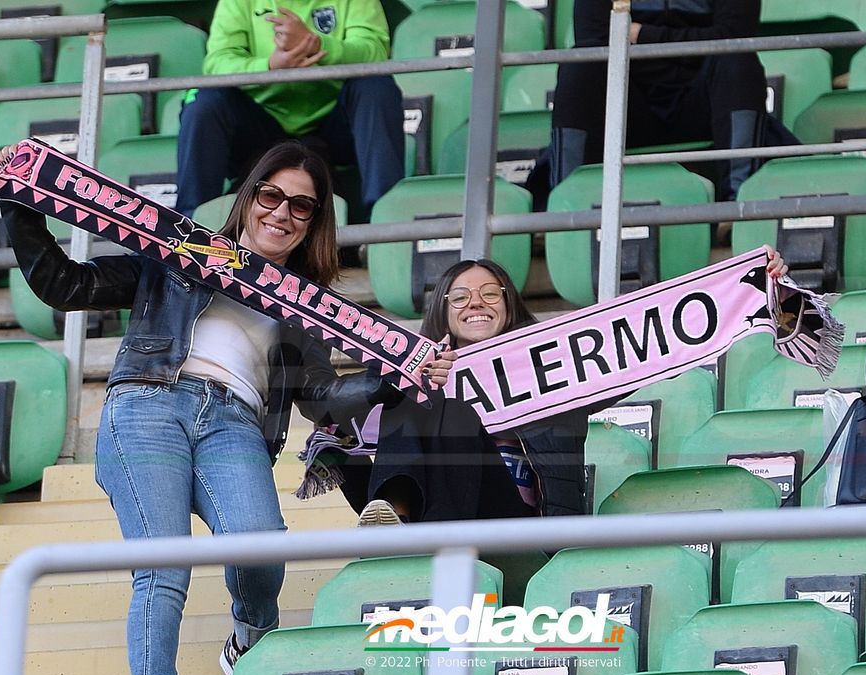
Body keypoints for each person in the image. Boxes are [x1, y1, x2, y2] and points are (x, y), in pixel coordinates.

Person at [0, 140, 405, 675]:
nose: (281, 213)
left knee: (260, 547)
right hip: (147, 402)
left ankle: (250, 639)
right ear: (249, 197)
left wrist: (394, 379)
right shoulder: (175, 252)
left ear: (314, 224)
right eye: (271, 195)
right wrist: (19, 205)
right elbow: (68, 285)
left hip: (235, 422)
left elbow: (324, 397)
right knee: (164, 562)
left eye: (301, 207)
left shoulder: (309, 303)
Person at [336, 250, 789, 525]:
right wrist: (408, 378)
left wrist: (756, 287)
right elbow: (338, 419)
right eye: (460, 297)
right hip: (437, 517)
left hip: (519, 529)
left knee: (451, 410)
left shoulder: (559, 367)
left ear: (510, 306)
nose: (476, 302)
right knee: (424, 402)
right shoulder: (414, 382)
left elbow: (651, 347)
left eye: (491, 293)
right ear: (443, 312)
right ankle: (392, 517)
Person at [544, 0, 798, 201]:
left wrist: (643, 35)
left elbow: (734, 35)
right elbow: (596, 39)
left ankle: (739, 204)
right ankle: (564, 206)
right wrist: (697, 38)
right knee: (583, 62)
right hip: (629, 108)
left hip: (704, 104)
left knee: (736, 57)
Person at [175, 0, 405, 220]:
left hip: (336, 125)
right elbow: (217, 62)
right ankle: (187, 226)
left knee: (376, 86)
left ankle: (384, 221)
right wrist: (269, 67)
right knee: (203, 99)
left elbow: (375, 51)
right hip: (259, 127)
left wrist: (317, 45)